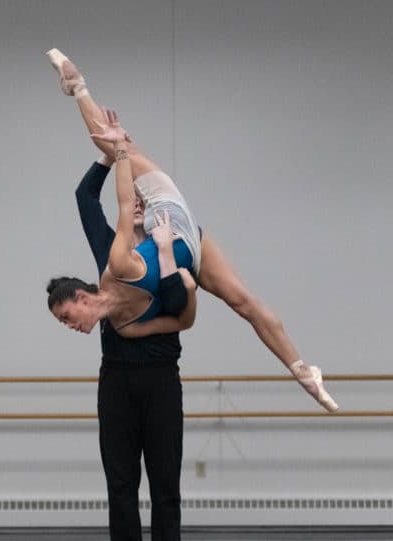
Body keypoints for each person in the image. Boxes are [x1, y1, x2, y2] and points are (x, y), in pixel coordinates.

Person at [45, 48, 338, 412]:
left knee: (110, 141)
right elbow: (184, 321)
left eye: (66, 317)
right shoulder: (124, 325)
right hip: (188, 242)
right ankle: (304, 374)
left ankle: (78, 87)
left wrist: (119, 153)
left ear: (82, 299)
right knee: (242, 302)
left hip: (168, 213)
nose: (68, 326)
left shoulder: (118, 266)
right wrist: (177, 272)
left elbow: (122, 205)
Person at [57, 152, 190, 541]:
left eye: (66, 317)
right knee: (121, 484)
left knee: (166, 482)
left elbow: (183, 310)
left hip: (161, 378)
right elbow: (83, 197)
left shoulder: (166, 247)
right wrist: (104, 157)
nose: (133, 211)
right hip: (116, 383)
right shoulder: (108, 256)